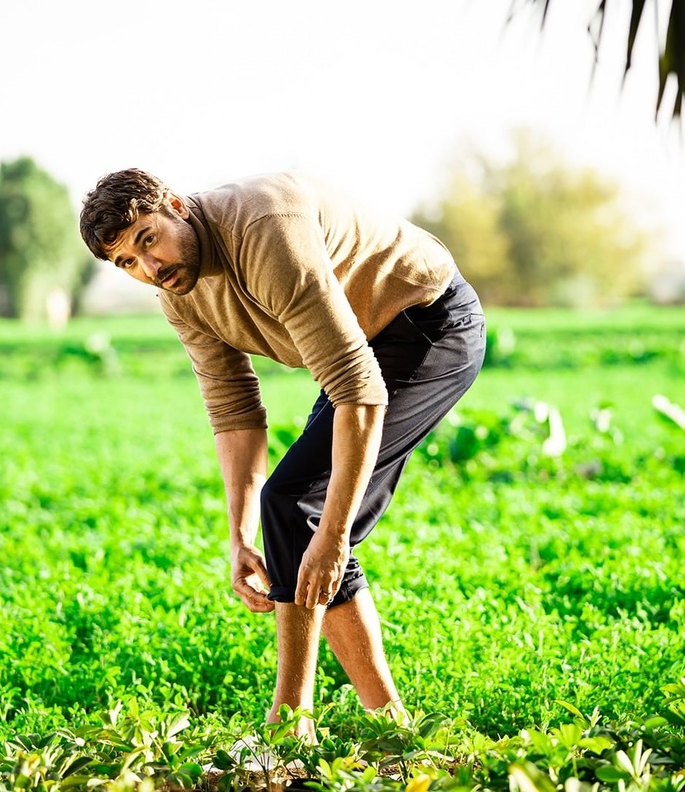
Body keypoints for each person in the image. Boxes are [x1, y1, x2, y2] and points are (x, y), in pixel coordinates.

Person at [79, 169, 486, 739]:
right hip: (364, 347)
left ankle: (290, 725)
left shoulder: (266, 232)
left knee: (300, 507)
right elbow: (234, 410)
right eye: (127, 262)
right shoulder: (179, 292)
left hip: (429, 324)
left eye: (148, 239)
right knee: (292, 512)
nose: (150, 268)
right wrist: (241, 536)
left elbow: (359, 390)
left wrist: (335, 535)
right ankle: (390, 732)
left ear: (175, 205)